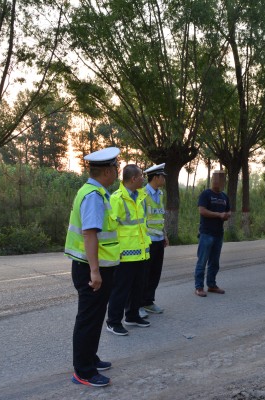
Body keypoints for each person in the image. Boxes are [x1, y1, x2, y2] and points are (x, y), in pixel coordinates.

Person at [64, 147, 121, 387]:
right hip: (91, 269)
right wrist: (95, 271)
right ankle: (83, 371)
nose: (118, 171)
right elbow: (89, 235)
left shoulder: (97, 192)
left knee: (96, 316)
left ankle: (91, 358)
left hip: (96, 267)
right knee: (88, 318)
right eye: (116, 168)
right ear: (107, 171)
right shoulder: (94, 196)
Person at [105, 165, 152, 336]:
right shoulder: (117, 199)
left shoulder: (140, 196)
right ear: (133, 179)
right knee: (120, 290)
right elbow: (110, 228)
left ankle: (132, 316)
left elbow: (141, 224)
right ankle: (113, 321)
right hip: (124, 255)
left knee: (138, 287)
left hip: (141, 252)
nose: (143, 179)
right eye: (141, 176)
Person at [194, 170, 231, 297]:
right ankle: (199, 287)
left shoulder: (224, 196)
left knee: (214, 262)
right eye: (217, 179)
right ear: (212, 180)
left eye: (222, 179)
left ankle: (212, 285)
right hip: (206, 233)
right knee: (202, 261)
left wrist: (227, 215)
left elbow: (229, 211)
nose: (219, 182)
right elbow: (202, 211)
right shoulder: (206, 194)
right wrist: (219, 215)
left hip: (218, 234)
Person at [141, 163, 169, 316]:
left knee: (155, 273)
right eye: (163, 176)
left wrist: (164, 235)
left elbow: (160, 217)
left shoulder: (160, 194)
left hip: (158, 239)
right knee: (144, 274)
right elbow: (141, 218)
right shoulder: (142, 194)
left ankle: (148, 302)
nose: (164, 179)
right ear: (156, 177)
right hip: (147, 240)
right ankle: (139, 303)